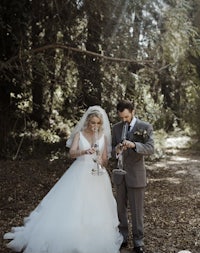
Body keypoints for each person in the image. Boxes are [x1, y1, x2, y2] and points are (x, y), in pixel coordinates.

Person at [4, 105, 123, 253]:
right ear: (87, 122)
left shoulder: (103, 136)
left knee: (97, 207)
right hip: (80, 172)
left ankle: (93, 238)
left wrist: (101, 161)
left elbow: (105, 159)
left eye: (98, 123)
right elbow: (71, 153)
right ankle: (70, 236)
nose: (95, 126)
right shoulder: (80, 134)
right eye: (93, 122)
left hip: (98, 176)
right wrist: (84, 151)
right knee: (75, 205)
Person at [111, 100, 154, 253]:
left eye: (127, 117)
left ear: (133, 112)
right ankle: (122, 237)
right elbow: (111, 150)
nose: (124, 120)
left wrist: (134, 145)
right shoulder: (115, 128)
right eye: (121, 117)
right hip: (119, 175)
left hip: (136, 174)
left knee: (136, 210)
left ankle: (138, 241)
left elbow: (150, 148)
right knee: (120, 209)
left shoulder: (145, 127)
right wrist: (116, 150)